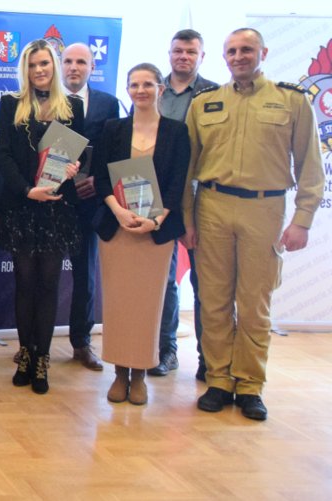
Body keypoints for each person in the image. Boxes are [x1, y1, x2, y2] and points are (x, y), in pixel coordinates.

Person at [183, 28, 325, 421]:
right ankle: (218, 380)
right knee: (213, 301)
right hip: (212, 206)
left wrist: (302, 220)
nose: (239, 56)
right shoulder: (204, 103)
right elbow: (187, 168)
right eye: (232, 51)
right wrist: (186, 218)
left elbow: (311, 166)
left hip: (264, 209)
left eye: (246, 49)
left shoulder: (291, 101)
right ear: (223, 57)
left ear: (263, 52)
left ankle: (248, 385)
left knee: (253, 305)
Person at [91, 63, 190, 405]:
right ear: (127, 90)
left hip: (155, 233)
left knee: (148, 306)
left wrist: (156, 220)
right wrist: (118, 212)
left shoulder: (177, 132)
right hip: (117, 229)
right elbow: (101, 178)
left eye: (148, 84)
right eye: (134, 85)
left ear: (161, 89)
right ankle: (120, 373)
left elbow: (177, 184)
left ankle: (140, 375)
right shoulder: (113, 129)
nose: (141, 90)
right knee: (119, 305)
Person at [0, 39, 85, 395]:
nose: (39, 70)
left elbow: (79, 154)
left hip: (57, 208)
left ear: (54, 65)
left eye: (44, 63)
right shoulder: (11, 104)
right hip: (22, 206)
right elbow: (2, 155)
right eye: (32, 65)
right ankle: (26, 354)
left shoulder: (73, 106)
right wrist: (26, 190)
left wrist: (75, 168)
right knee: (25, 284)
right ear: (25, 70)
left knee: (49, 285)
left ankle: (43, 358)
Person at [155, 29, 219, 380]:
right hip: (159, 198)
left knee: (205, 282)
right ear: (169, 53)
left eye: (191, 52)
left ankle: (210, 359)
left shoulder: (216, 95)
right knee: (164, 281)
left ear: (201, 56)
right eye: (178, 50)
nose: (183, 56)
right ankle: (166, 351)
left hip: (200, 198)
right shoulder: (153, 90)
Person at [60, 43, 121, 372]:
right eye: (68, 61)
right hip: (50, 199)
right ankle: (33, 343)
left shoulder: (108, 103)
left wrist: (98, 180)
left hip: (88, 199)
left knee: (85, 274)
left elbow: (115, 150)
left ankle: (81, 343)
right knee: (40, 275)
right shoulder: (44, 100)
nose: (74, 67)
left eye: (81, 61)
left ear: (92, 67)